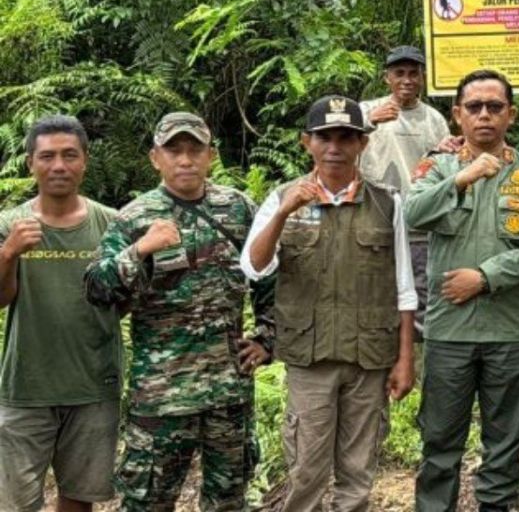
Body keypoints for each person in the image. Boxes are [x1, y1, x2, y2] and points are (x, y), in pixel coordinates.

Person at [84, 112, 275, 512]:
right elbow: (97, 288)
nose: (185, 160)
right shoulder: (135, 217)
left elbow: (270, 277)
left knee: (228, 501)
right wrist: (141, 249)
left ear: (211, 156)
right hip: (161, 394)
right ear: (156, 158)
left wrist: (266, 338)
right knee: (148, 502)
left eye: (195, 150)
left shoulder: (238, 209)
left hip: (228, 390)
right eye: (174, 151)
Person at [242, 95, 418, 512]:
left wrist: (405, 359)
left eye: (346, 137)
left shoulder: (387, 202)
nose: (335, 147)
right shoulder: (282, 198)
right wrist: (283, 213)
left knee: (358, 470)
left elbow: (404, 287)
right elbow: (254, 265)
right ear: (307, 143)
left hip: (368, 357)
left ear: (362, 143)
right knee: (307, 468)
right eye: (325, 137)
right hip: (310, 358)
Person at [405, 69, 519, 512]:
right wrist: (462, 178)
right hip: (449, 333)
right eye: (474, 107)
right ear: (458, 115)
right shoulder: (438, 166)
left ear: (511, 114)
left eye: (495, 106)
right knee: (439, 441)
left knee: (505, 444)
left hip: (508, 331)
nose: (485, 115)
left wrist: (486, 276)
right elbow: (412, 214)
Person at [0, 116, 120, 512]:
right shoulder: (9, 224)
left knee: (80, 499)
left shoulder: (112, 224)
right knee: (15, 503)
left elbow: (127, 301)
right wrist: (8, 253)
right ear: (30, 163)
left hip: (93, 386)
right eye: (47, 156)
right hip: (25, 387)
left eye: (69, 155)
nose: (58, 166)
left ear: (85, 161)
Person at [359, 45, 451, 335]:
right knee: (375, 292)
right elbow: (340, 146)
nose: (407, 80)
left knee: (419, 295)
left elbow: (444, 167)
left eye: (414, 73)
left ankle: (418, 355)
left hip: (417, 226)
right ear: (387, 77)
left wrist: (443, 152)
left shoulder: (433, 119)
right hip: (372, 220)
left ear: (422, 77)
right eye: (399, 73)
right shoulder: (365, 110)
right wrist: (369, 122)